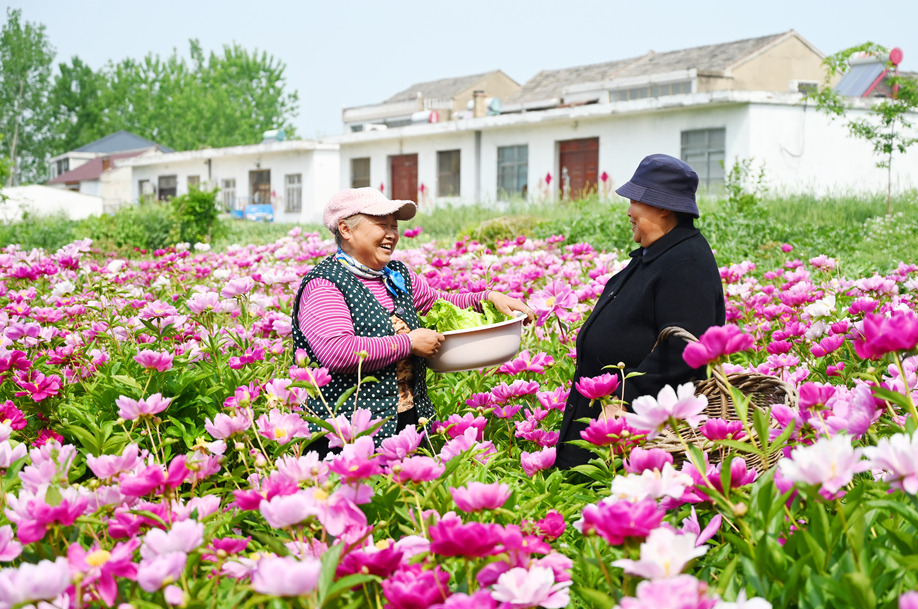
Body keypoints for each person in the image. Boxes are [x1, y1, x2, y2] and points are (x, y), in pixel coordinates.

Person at [292, 187, 534, 456]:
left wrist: (487, 299)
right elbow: (337, 352)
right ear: (345, 229)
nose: (391, 234)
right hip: (347, 434)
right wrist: (408, 343)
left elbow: (438, 303)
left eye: (394, 226)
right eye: (381, 225)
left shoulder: (395, 274)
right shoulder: (325, 284)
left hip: (409, 422)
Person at [555, 154, 726, 469]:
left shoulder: (687, 263)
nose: (629, 210)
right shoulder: (659, 253)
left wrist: (626, 397)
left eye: (635, 201)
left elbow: (682, 350)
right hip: (605, 432)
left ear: (663, 207)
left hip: (631, 439)